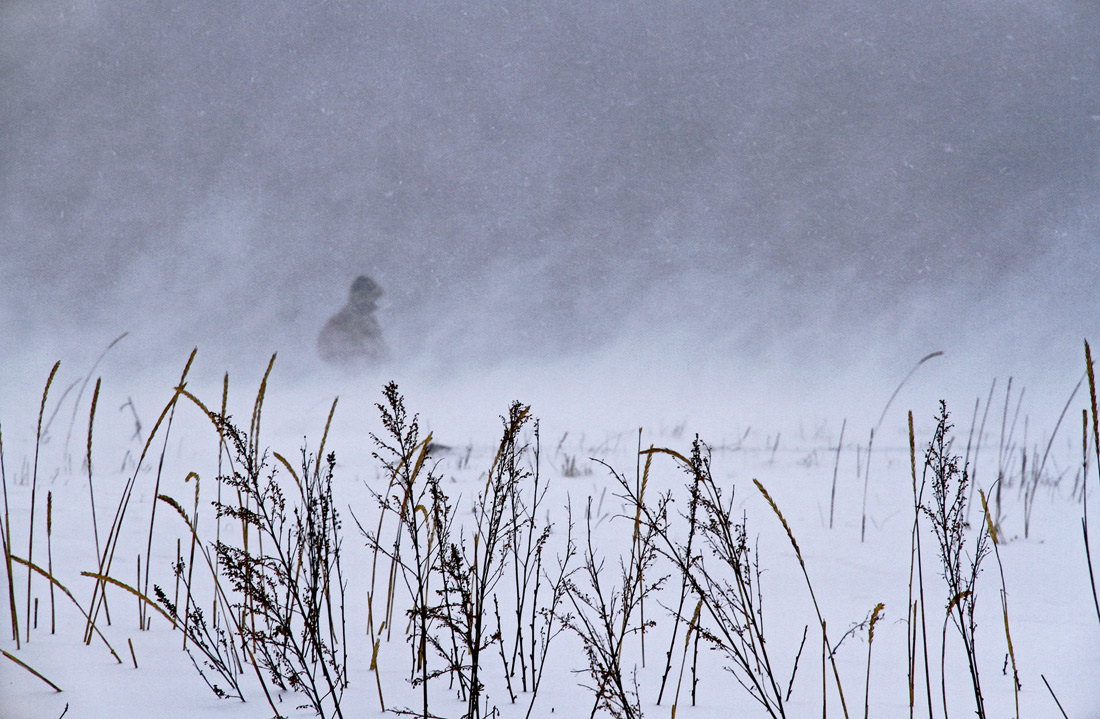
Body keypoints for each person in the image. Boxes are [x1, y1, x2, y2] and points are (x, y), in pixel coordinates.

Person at [317, 275, 388, 367]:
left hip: (363, 371)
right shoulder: (351, 318)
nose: (375, 303)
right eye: (373, 298)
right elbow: (359, 348)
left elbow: (377, 345)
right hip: (354, 373)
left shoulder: (366, 317)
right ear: (363, 297)